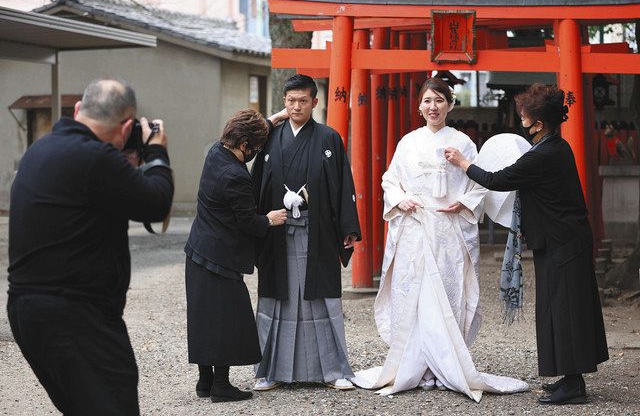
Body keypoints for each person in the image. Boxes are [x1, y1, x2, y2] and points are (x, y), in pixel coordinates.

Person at [351, 77, 529, 402]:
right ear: (419, 106)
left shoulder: (463, 143)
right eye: (427, 101)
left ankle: (444, 367)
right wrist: (399, 199)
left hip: (448, 230)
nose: (433, 107)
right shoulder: (408, 142)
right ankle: (416, 365)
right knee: (414, 296)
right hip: (415, 228)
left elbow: (479, 181)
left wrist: (464, 202)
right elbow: (390, 178)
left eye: (439, 101)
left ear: (450, 104)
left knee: (448, 295)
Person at [7, 78, 173, 415]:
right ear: (128, 126)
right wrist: (156, 150)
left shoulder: (41, 148)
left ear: (78, 110)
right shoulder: (95, 158)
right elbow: (156, 204)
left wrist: (126, 162)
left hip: (28, 310)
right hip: (75, 315)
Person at [445, 83, 609, 405]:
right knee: (558, 308)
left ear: (539, 123)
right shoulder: (552, 147)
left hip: (565, 243)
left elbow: (497, 179)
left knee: (565, 311)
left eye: (524, 116)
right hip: (561, 240)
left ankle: (574, 385)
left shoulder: (546, 154)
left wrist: (464, 164)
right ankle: (568, 377)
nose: (521, 121)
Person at [250, 74, 361, 391]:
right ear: (283, 103)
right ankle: (268, 370)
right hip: (277, 230)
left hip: (318, 232)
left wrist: (348, 227)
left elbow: (343, 186)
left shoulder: (328, 139)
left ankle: (333, 369)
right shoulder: (270, 139)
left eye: (302, 100)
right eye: (290, 101)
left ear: (315, 102)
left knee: (320, 299)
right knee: (276, 299)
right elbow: (256, 183)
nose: (296, 106)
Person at [184, 108, 288, 403]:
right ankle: (221, 386)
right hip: (220, 258)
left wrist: (272, 120)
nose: (256, 151)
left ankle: (205, 381)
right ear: (246, 145)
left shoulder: (216, 152)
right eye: (255, 146)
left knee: (203, 318)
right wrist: (270, 218)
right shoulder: (235, 176)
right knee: (227, 320)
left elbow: (246, 135)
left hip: (197, 251)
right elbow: (248, 223)